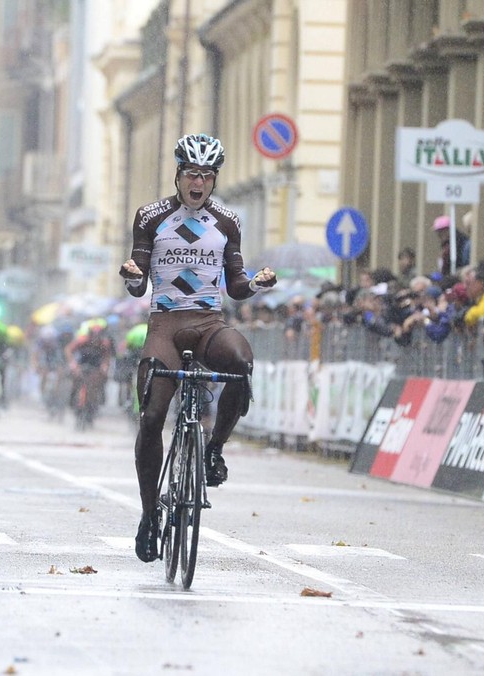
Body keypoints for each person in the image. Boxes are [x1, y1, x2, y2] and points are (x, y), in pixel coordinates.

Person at [119, 132, 276, 563]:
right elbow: (138, 286)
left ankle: (214, 450)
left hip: (208, 323)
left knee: (241, 363)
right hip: (165, 326)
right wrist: (133, 276)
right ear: (178, 175)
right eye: (192, 174)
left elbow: (237, 286)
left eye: (207, 176)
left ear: (214, 180)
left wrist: (257, 284)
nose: (199, 183)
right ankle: (150, 516)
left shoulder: (227, 222)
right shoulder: (151, 217)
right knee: (152, 416)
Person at [64, 317, 115, 419]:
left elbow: (107, 356)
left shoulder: (104, 344)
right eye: (93, 335)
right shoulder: (82, 340)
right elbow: (68, 349)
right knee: (75, 378)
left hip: (96, 365)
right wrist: (73, 364)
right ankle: (72, 398)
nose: (95, 338)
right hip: (82, 363)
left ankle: (98, 399)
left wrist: (104, 366)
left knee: (101, 380)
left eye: (98, 335)